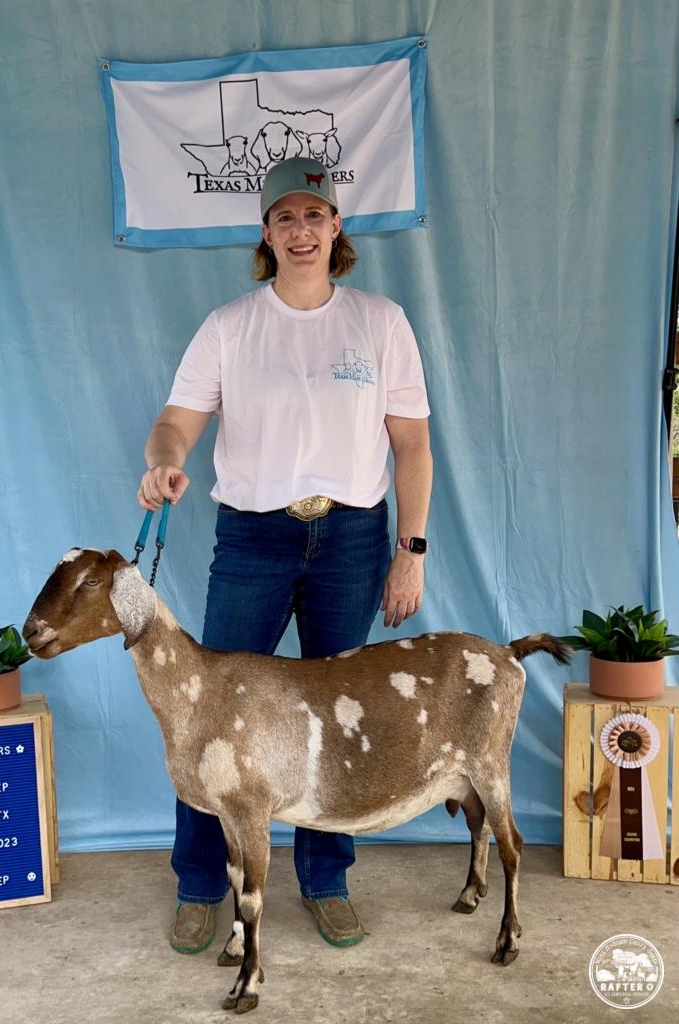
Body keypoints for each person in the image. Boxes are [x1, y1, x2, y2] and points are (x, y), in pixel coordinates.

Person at [138, 156, 432, 954]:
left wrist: (411, 550)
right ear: (265, 234)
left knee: (335, 718)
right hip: (254, 538)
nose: (300, 230)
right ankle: (200, 884)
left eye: (314, 216)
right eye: (284, 219)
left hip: (351, 538)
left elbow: (412, 447)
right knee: (209, 719)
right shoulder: (230, 327)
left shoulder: (381, 322)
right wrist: (162, 460)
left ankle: (325, 880)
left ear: (337, 227)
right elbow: (175, 424)